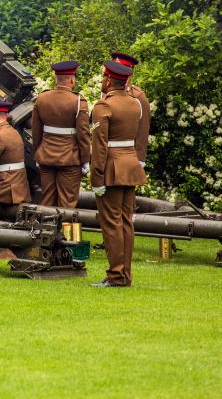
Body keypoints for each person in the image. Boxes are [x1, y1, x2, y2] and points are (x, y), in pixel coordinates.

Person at [90, 61, 147, 287]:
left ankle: (115, 275)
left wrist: (96, 178)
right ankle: (125, 275)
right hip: (130, 165)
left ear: (108, 80)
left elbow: (100, 147)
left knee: (111, 223)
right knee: (125, 222)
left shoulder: (104, 106)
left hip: (111, 169)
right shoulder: (135, 103)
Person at [31, 60, 90, 208]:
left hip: (46, 157)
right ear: (72, 79)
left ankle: (45, 230)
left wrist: (38, 152)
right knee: (67, 204)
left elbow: (36, 131)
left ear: (56, 79)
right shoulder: (78, 101)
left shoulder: (42, 98)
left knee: (47, 201)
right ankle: (66, 232)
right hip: (69, 159)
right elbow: (83, 135)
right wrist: (85, 160)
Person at [110, 52, 151, 171]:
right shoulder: (107, 92)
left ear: (129, 73)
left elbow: (143, 130)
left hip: (128, 156)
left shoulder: (138, 96)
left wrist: (140, 159)